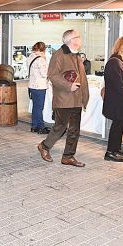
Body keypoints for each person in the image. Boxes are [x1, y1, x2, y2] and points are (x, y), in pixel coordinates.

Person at [37, 30, 89, 167]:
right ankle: (44, 146)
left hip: (76, 99)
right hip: (64, 99)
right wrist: (68, 86)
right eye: (78, 37)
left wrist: (84, 96)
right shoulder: (59, 55)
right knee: (60, 127)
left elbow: (82, 78)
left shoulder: (76, 56)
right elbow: (52, 75)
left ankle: (68, 156)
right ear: (71, 39)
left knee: (74, 130)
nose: (80, 40)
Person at [102, 37, 123, 162]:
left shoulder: (122, 61)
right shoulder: (114, 62)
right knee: (117, 125)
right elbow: (118, 83)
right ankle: (110, 152)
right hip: (118, 101)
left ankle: (116, 148)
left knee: (121, 124)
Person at [27, 42, 49, 134]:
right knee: (39, 107)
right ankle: (41, 127)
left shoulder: (30, 57)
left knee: (35, 107)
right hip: (40, 86)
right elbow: (45, 74)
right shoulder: (41, 59)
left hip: (32, 85)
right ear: (43, 49)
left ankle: (34, 126)